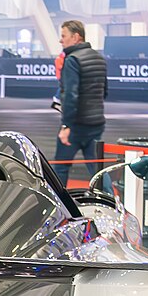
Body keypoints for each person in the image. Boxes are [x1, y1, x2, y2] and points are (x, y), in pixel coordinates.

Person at [52, 19, 107, 189]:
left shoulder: (72, 60)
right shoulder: (99, 58)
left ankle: (58, 205)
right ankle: (112, 203)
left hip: (76, 125)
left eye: (64, 36)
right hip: (96, 123)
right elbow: (104, 92)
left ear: (75, 37)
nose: (61, 40)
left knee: (60, 168)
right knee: (97, 170)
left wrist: (66, 126)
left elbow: (71, 95)